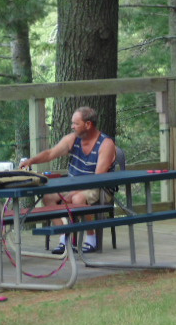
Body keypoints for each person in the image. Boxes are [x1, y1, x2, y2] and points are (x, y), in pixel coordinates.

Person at [20, 107, 116, 254]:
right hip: (73, 183)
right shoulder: (72, 139)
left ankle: (91, 238)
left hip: (98, 186)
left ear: (88, 124)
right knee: (48, 196)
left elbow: (98, 177)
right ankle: (64, 237)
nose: (72, 127)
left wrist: (74, 192)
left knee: (77, 199)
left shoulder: (106, 143)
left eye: (76, 124)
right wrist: (31, 161)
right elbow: (51, 153)